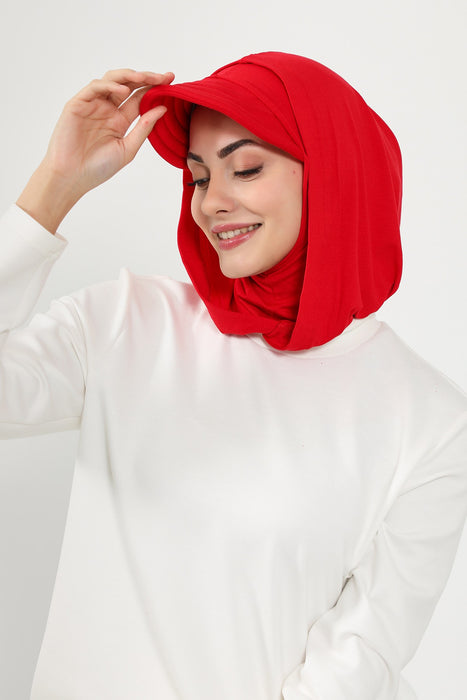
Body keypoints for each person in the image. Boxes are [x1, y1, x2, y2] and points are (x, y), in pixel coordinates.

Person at [1, 52, 466, 700]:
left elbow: (359, 660)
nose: (211, 203)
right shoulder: (129, 322)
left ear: (333, 171)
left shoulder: (428, 418)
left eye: (245, 168)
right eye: (197, 177)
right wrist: (54, 185)